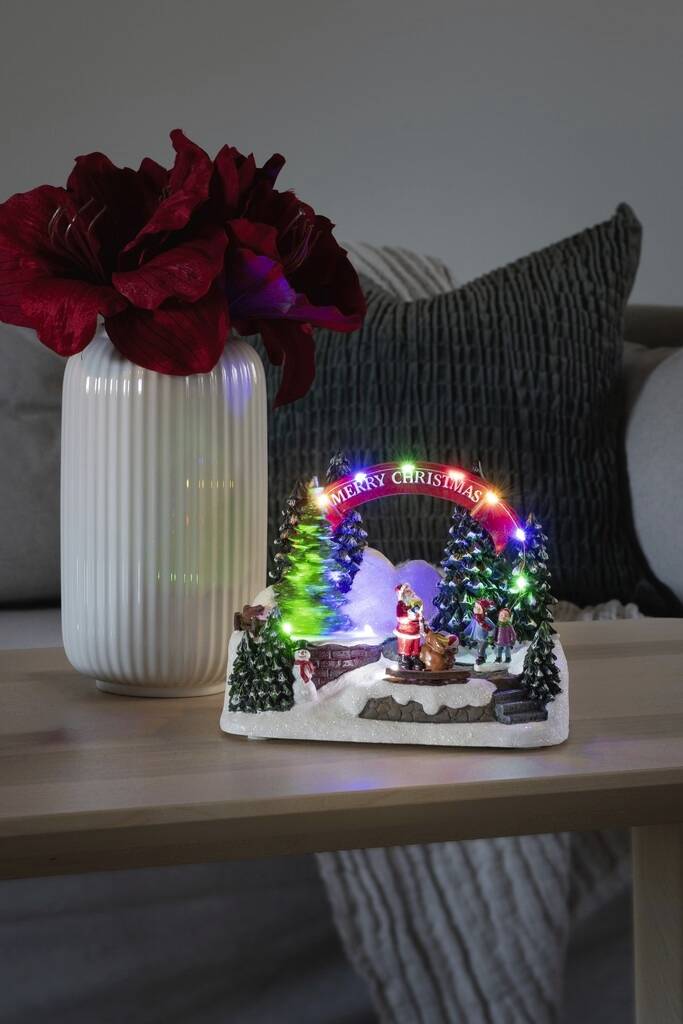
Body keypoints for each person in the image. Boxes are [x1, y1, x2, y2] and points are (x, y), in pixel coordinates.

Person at [394, 583, 424, 670]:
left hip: (416, 629)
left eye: (409, 590)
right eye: (407, 591)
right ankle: (404, 659)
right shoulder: (401, 605)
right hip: (406, 630)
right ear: (402, 594)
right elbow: (400, 618)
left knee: (415, 645)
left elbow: (420, 614)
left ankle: (414, 658)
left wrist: (421, 620)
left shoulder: (415, 603)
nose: (410, 592)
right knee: (406, 645)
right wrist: (411, 616)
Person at [462, 599, 496, 664]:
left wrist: (491, 637)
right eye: (475, 607)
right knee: (478, 648)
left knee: (481, 648)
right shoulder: (474, 619)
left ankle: (481, 658)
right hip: (477, 638)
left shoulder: (485, 620)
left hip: (484, 638)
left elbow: (493, 628)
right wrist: (464, 633)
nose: (476, 609)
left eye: (478, 608)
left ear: (484, 610)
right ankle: (483, 656)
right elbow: (470, 627)